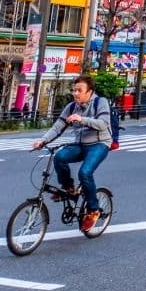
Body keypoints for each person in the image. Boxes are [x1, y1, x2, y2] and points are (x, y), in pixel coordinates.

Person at [32, 75, 113, 233]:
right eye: (74, 90)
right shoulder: (71, 107)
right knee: (60, 156)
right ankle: (69, 188)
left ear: (89, 92)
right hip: (80, 144)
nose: (75, 93)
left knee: (85, 173)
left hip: (99, 144)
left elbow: (103, 124)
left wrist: (82, 119)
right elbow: (58, 127)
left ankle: (93, 209)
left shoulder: (100, 102)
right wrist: (42, 141)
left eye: (79, 90)